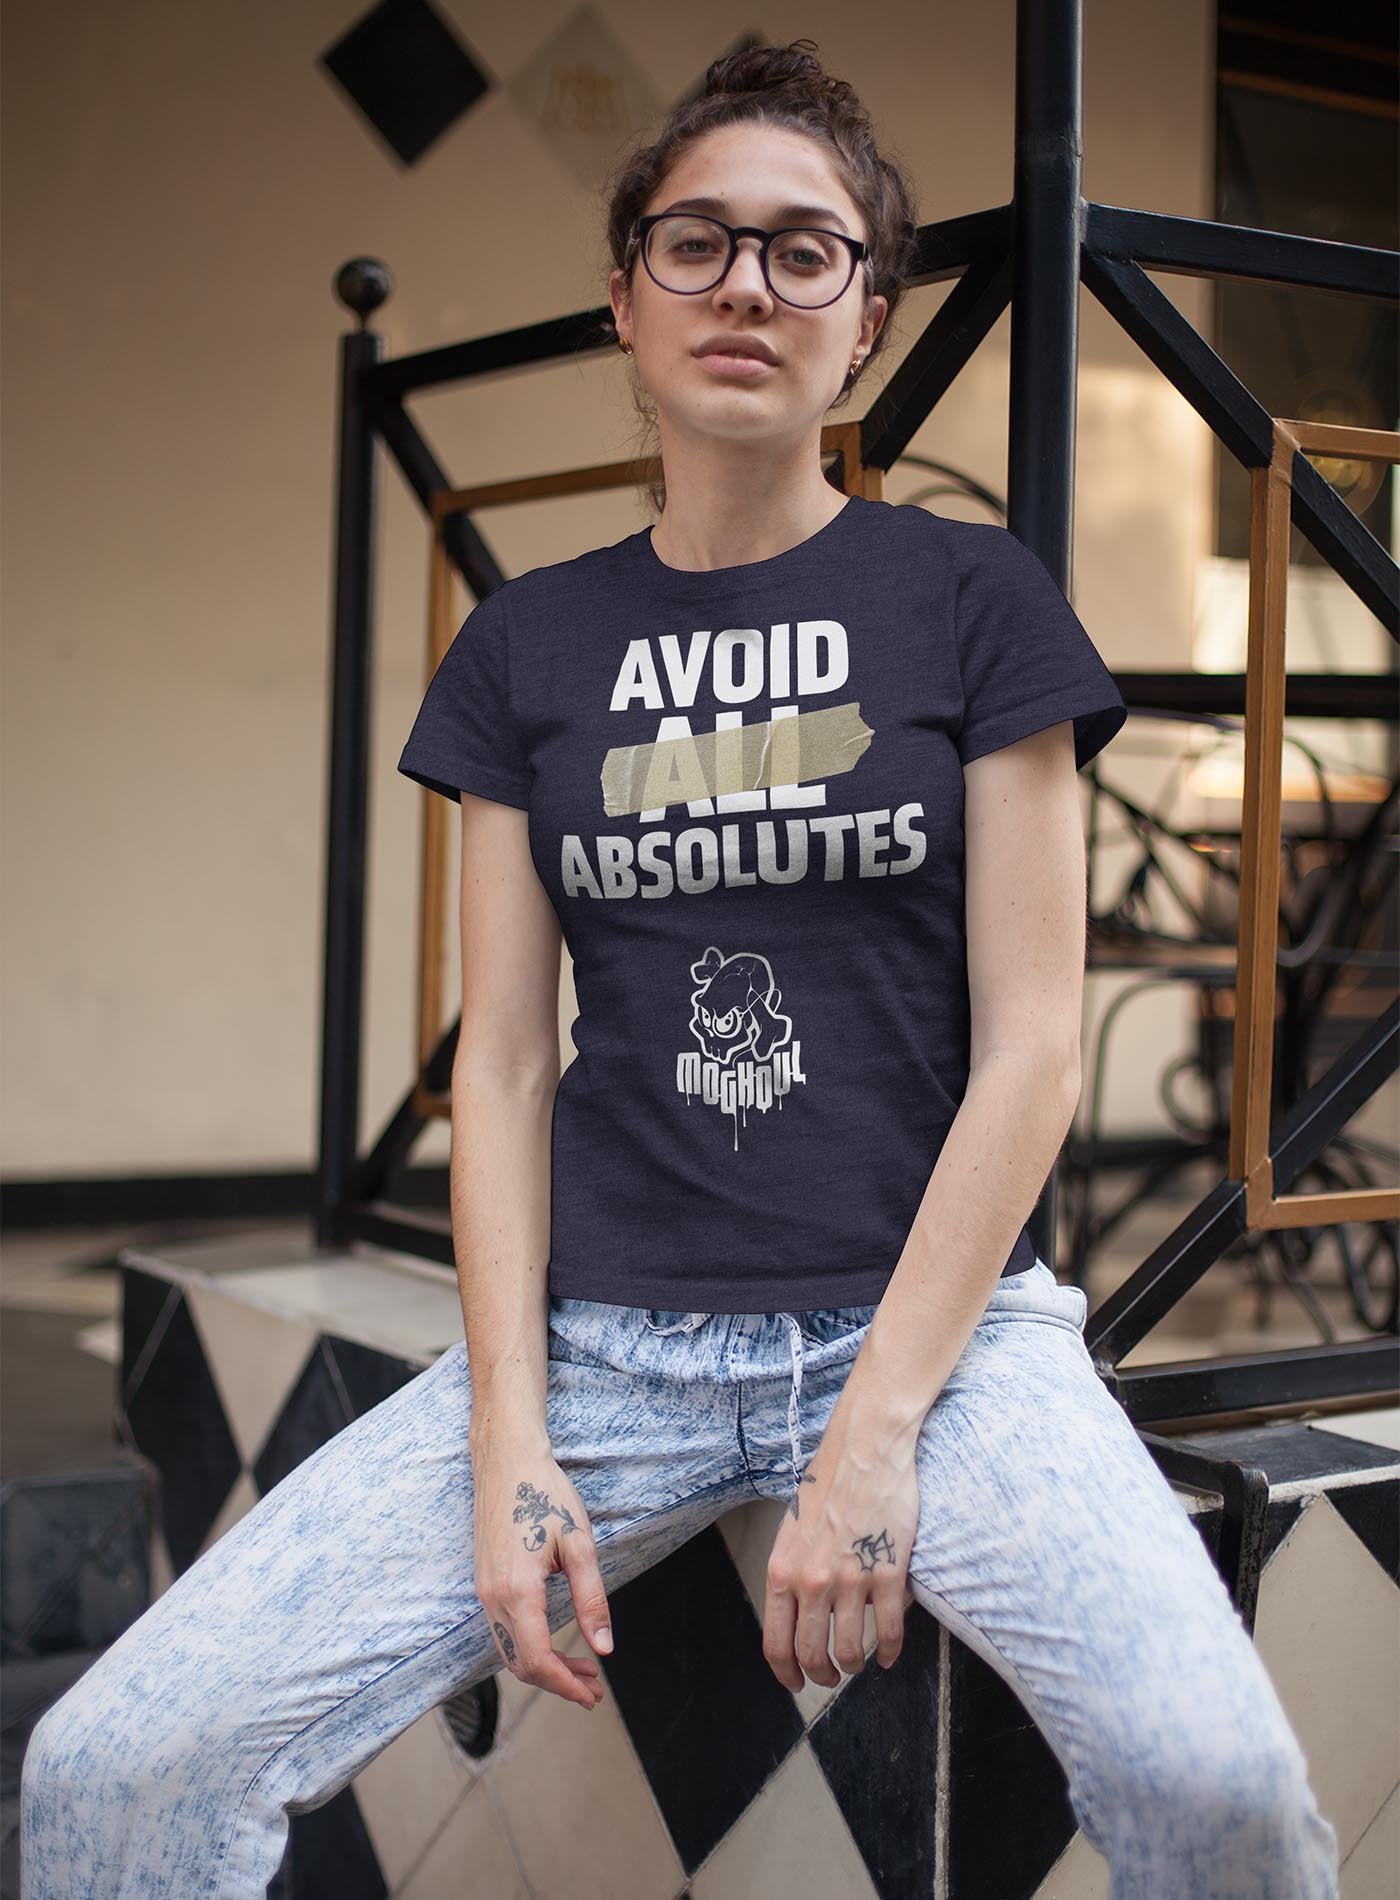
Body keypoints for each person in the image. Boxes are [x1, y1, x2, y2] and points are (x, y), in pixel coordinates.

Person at [21, 38, 1339, 1900]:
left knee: (1220, 1786)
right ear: (623, 299)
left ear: (867, 318)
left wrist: (872, 1436)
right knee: (116, 1763)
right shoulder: (527, 648)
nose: (747, 284)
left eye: (806, 253)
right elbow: (497, 1068)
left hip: (944, 1359)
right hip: (604, 1347)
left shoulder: (973, 602)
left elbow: (1039, 1049)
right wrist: (505, 1434)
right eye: (697, 241)